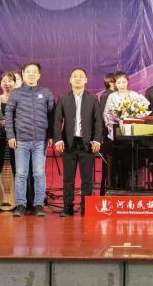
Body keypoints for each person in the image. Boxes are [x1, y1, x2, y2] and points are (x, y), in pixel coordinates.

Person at [6, 62, 55, 217]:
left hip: (40, 140)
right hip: (21, 140)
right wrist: (11, 136)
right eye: (28, 72)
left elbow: (52, 115)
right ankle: (20, 204)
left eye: (34, 72)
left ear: (39, 75)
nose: (31, 75)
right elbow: (9, 115)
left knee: (39, 173)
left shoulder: (46, 93)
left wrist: (50, 135)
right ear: (23, 74)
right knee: (21, 173)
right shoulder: (16, 93)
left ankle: (38, 204)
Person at [54, 68, 104, 216]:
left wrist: (97, 139)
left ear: (86, 80)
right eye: (74, 76)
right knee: (68, 179)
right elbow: (57, 120)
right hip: (68, 144)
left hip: (87, 144)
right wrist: (58, 139)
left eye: (81, 76)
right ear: (70, 80)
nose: (77, 78)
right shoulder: (63, 98)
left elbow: (98, 122)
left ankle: (86, 208)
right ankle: (67, 208)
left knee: (87, 179)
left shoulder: (93, 99)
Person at [0, 70, 30, 210]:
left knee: (18, 171)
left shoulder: (21, 99)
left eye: (10, 81)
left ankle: (20, 203)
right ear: (0, 83)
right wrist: (0, 123)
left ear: (15, 83)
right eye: (4, 81)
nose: (7, 83)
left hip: (17, 141)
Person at [101, 72, 149, 191]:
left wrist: (133, 118)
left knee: (134, 160)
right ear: (115, 84)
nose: (121, 85)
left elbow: (143, 112)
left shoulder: (135, 95)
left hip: (133, 135)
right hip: (118, 134)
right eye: (118, 83)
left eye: (123, 82)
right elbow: (107, 114)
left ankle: (135, 186)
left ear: (128, 82)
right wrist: (115, 125)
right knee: (118, 161)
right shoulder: (112, 96)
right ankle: (118, 186)